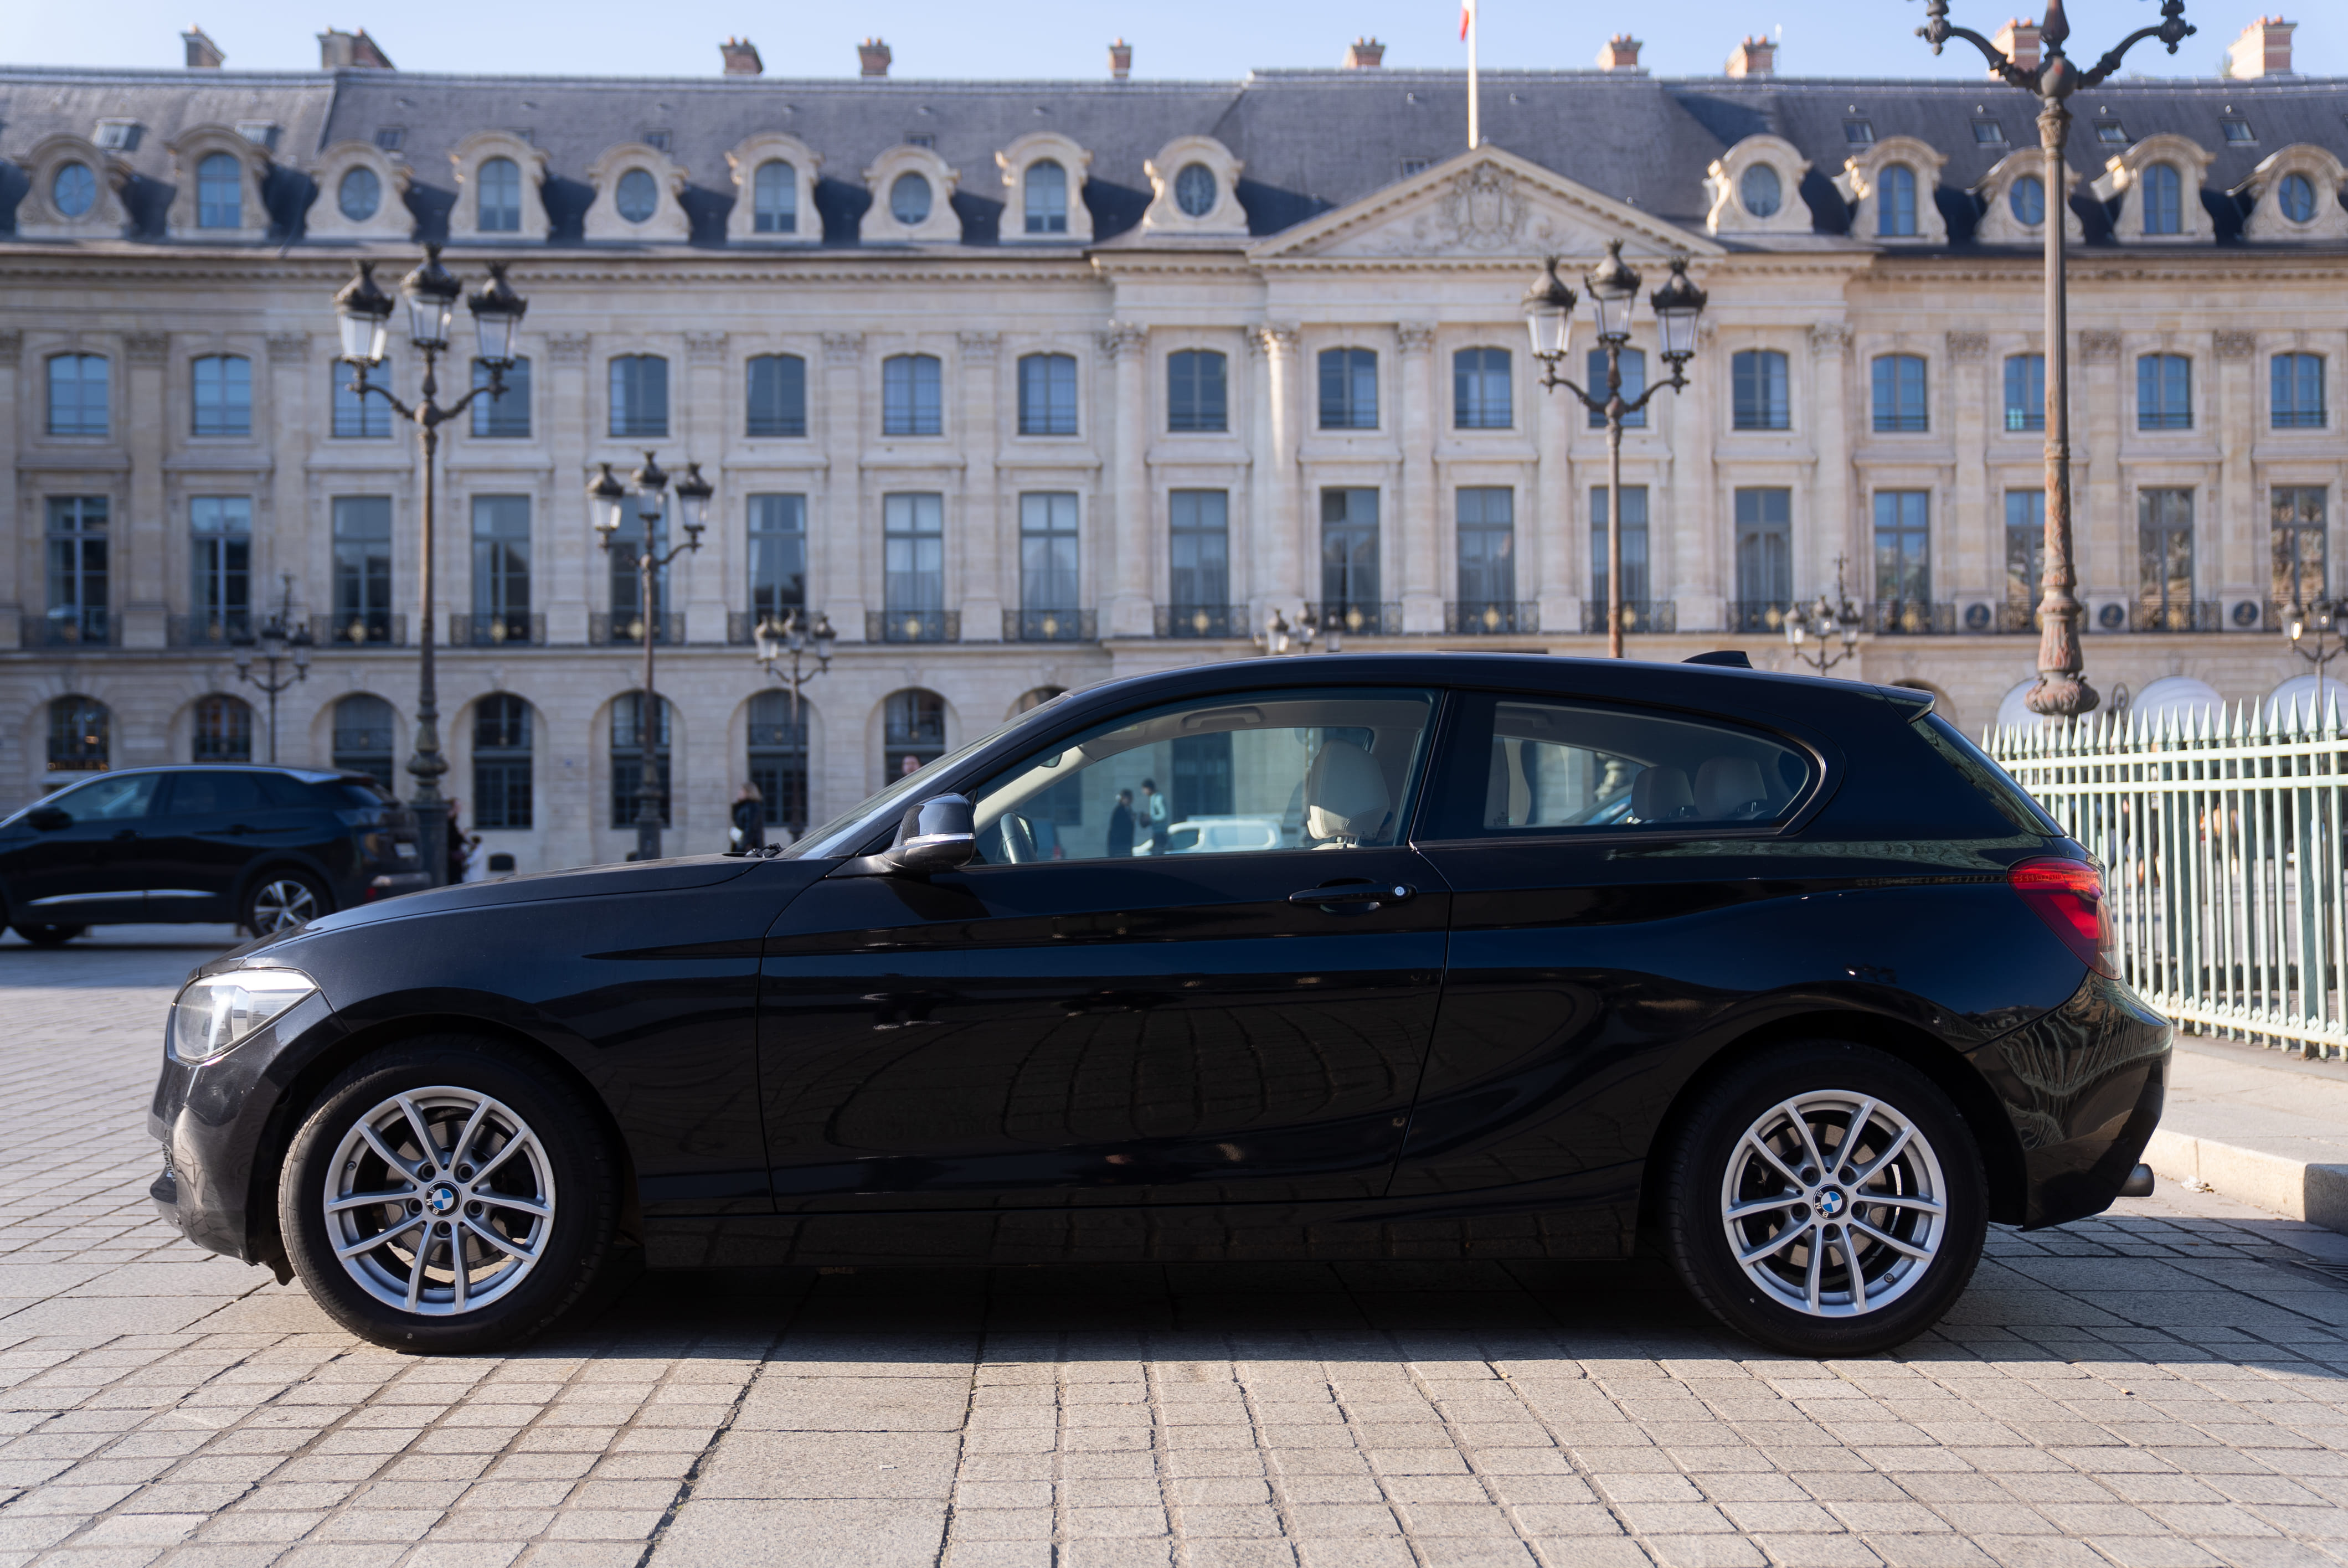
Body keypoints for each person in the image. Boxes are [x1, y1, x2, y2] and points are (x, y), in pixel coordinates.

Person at [732, 782, 765, 852]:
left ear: (749, 793)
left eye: (742, 791)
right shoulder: (741, 806)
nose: (739, 793)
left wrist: (746, 843)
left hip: (749, 845)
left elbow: (751, 827)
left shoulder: (753, 807)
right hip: (741, 841)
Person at [1140, 778, 1170, 855]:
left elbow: (1163, 815)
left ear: (1149, 788)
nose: (1143, 792)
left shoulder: (1158, 798)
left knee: (1157, 856)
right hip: (1157, 833)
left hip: (1160, 833)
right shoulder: (1153, 798)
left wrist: (1151, 818)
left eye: (1144, 789)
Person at [1106, 789, 1135, 857]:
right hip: (1119, 845)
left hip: (1126, 844)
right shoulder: (1119, 810)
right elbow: (1119, 827)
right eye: (1128, 798)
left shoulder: (1129, 809)